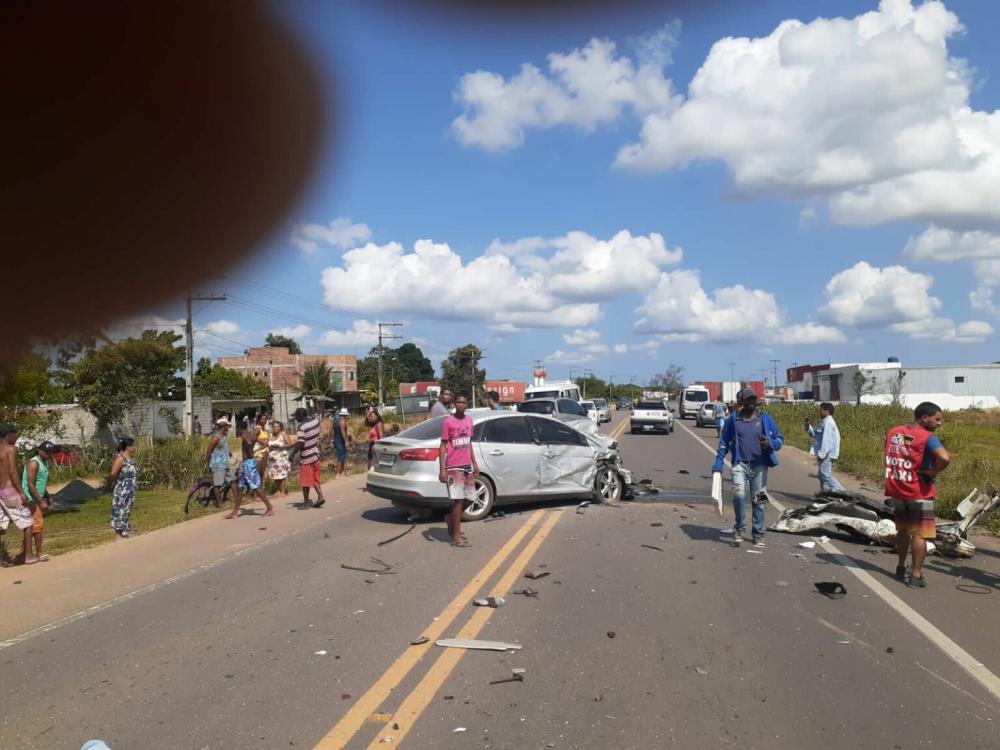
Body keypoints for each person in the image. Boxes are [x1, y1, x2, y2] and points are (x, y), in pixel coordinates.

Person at [885, 402, 951, 588]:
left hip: (897, 488)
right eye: (937, 419)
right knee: (920, 535)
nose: (940, 423)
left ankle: (900, 566)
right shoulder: (928, 437)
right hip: (919, 491)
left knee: (903, 530)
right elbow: (945, 458)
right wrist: (933, 472)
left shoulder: (894, 432)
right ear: (924, 418)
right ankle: (915, 575)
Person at [712, 388, 783, 546]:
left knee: (760, 500)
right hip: (740, 465)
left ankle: (758, 533)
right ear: (741, 402)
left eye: (753, 399)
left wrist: (770, 443)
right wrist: (718, 462)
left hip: (760, 467)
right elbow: (724, 442)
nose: (751, 403)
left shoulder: (765, 419)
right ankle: (739, 528)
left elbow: (780, 440)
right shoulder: (733, 420)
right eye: (748, 400)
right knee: (738, 496)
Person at [438, 393, 478, 547]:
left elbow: (469, 443)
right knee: (457, 500)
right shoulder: (448, 422)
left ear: (467, 404)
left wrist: (474, 463)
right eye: (459, 402)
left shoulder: (469, 420)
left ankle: (450, 519)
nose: (461, 404)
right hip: (453, 466)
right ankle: (456, 535)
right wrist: (442, 469)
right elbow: (442, 446)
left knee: (471, 497)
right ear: (454, 403)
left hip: (467, 465)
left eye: (464, 402)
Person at [225, 425, 275, 518]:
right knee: (240, 488)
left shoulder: (244, 436)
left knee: (255, 486)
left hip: (248, 464)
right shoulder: (252, 435)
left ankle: (270, 507)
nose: (236, 431)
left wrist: (249, 448)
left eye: (236, 429)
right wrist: (256, 450)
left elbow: (248, 442)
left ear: (240, 429)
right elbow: (265, 444)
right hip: (247, 463)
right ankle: (235, 512)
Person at [0, 424, 32, 565]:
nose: (17, 437)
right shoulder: (11, 449)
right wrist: (22, 492)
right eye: (15, 434)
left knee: (1, 526)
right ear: (8, 435)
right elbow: (13, 472)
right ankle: (28, 556)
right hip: (10, 491)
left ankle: (1, 558)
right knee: (28, 523)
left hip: (0, 492)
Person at [22, 440, 56, 563]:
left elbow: (40, 483)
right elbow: (30, 485)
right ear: (40, 450)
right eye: (46, 452)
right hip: (31, 499)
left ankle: (26, 553)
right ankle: (38, 553)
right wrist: (40, 501)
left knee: (31, 527)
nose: (49, 454)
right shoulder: (34, 463)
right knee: (37, 526)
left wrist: (48, 496)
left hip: (36, 498)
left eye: (50, 452)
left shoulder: (44, 463)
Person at [805, 402, 845, 493]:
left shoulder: (828, 423)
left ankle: (844, 493)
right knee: (822, 476)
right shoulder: (824, 422)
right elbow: (814, 434)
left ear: (827, 411)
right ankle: (826, 495)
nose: (819, 412)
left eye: (821, 410)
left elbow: (827, 441)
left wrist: (822, 455)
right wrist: (807, 425)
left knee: (826, 476)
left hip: (827, 454)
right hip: (824, 453)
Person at [290, 407, 325, 509]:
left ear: (301, 416)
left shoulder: (302, 427)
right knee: (315, 478)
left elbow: (301, 443)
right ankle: (320, 495)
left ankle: (306, 502)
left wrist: (292, 454)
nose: (295, 418)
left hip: (306, 457)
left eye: (296, 416)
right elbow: (318, 414)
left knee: (305, 481)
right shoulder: (315, 421)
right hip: (316, 454)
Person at [108, 437, 139, 538]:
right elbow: (113, 474)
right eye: (133, 445)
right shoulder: (121, 458)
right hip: (122, 489)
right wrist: (112, 484)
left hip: (130, 488)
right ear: (128, 447)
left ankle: (124, 527)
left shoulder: (130, 458)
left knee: (127, 508)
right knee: (120, 508)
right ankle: (120, 529)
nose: (135, 447)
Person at [206, 418, 232, 507]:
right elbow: (209, 452)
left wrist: (229, 453)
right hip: (217, 464)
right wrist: (209, 464)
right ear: (223, 426)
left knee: (232, 480)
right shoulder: (216, 438)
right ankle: (219, 503)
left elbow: (222, 448)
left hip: (225, 463)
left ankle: (224, 498)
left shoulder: (224, 437)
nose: (228, 427)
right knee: (217, 484)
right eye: (227, 426)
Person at [266, 420, 295, 495]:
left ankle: (283, 491)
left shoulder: (283, 434)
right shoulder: (270, 435)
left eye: (277, 426)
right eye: (274, 426)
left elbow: (290, 444)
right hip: (273, 459)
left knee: (282, 474)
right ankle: (278, 490)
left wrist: (280, 446)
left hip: (282, 458)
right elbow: (267, 444)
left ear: (280, 427)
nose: (275, 428)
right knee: (275, 474)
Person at [253, 413, 270, 482]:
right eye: (262, 419)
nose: (264, 421)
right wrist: (262, 443)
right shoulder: (258, 429)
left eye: (265, 419)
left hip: (264, 452)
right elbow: (253, 437)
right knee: (258, 473)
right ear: (259, 420)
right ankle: (256, 490)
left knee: (262, 473)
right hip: (258, 452)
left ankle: (260, 489)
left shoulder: (264, 429)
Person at [333, 408, 350, 477]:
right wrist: (346, 441)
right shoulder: (342, 421)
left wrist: (332, 440)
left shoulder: (336, 421)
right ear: (344, 415)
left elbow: (330, 431)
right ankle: (338, 473)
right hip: (340, 441)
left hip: (337, 440)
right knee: (340, 457)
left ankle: (342, 472)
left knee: (342, 456)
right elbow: (343, 432)